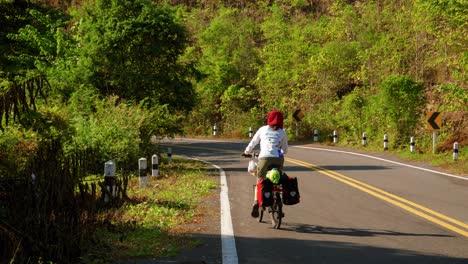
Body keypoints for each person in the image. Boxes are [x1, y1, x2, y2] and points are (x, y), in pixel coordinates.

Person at [243, 109, 288, 218]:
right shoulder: (282, 132)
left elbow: (253, 142)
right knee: (277, 177)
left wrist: (246, 152)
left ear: (269, 119)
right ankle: (278, 200)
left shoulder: (262, 129)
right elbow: (285, 150)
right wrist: (280, 152)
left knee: (260, 180)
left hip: (264, 159)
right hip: (278, 159)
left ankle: (256, 202)